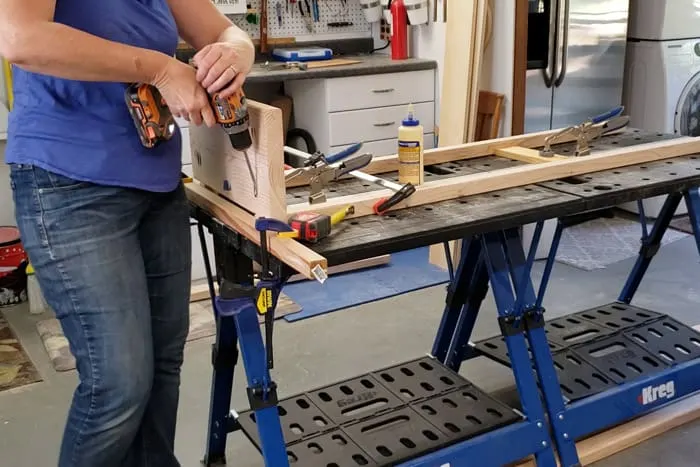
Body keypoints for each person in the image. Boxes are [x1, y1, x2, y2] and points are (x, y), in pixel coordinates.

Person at [0, 1, 254, 466]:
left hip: (156, 184)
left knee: (160, 368)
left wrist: (235, 53)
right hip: (69, 183)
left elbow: (226, 32)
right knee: (118, 384)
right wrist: (161, 69)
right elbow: (20, 39)